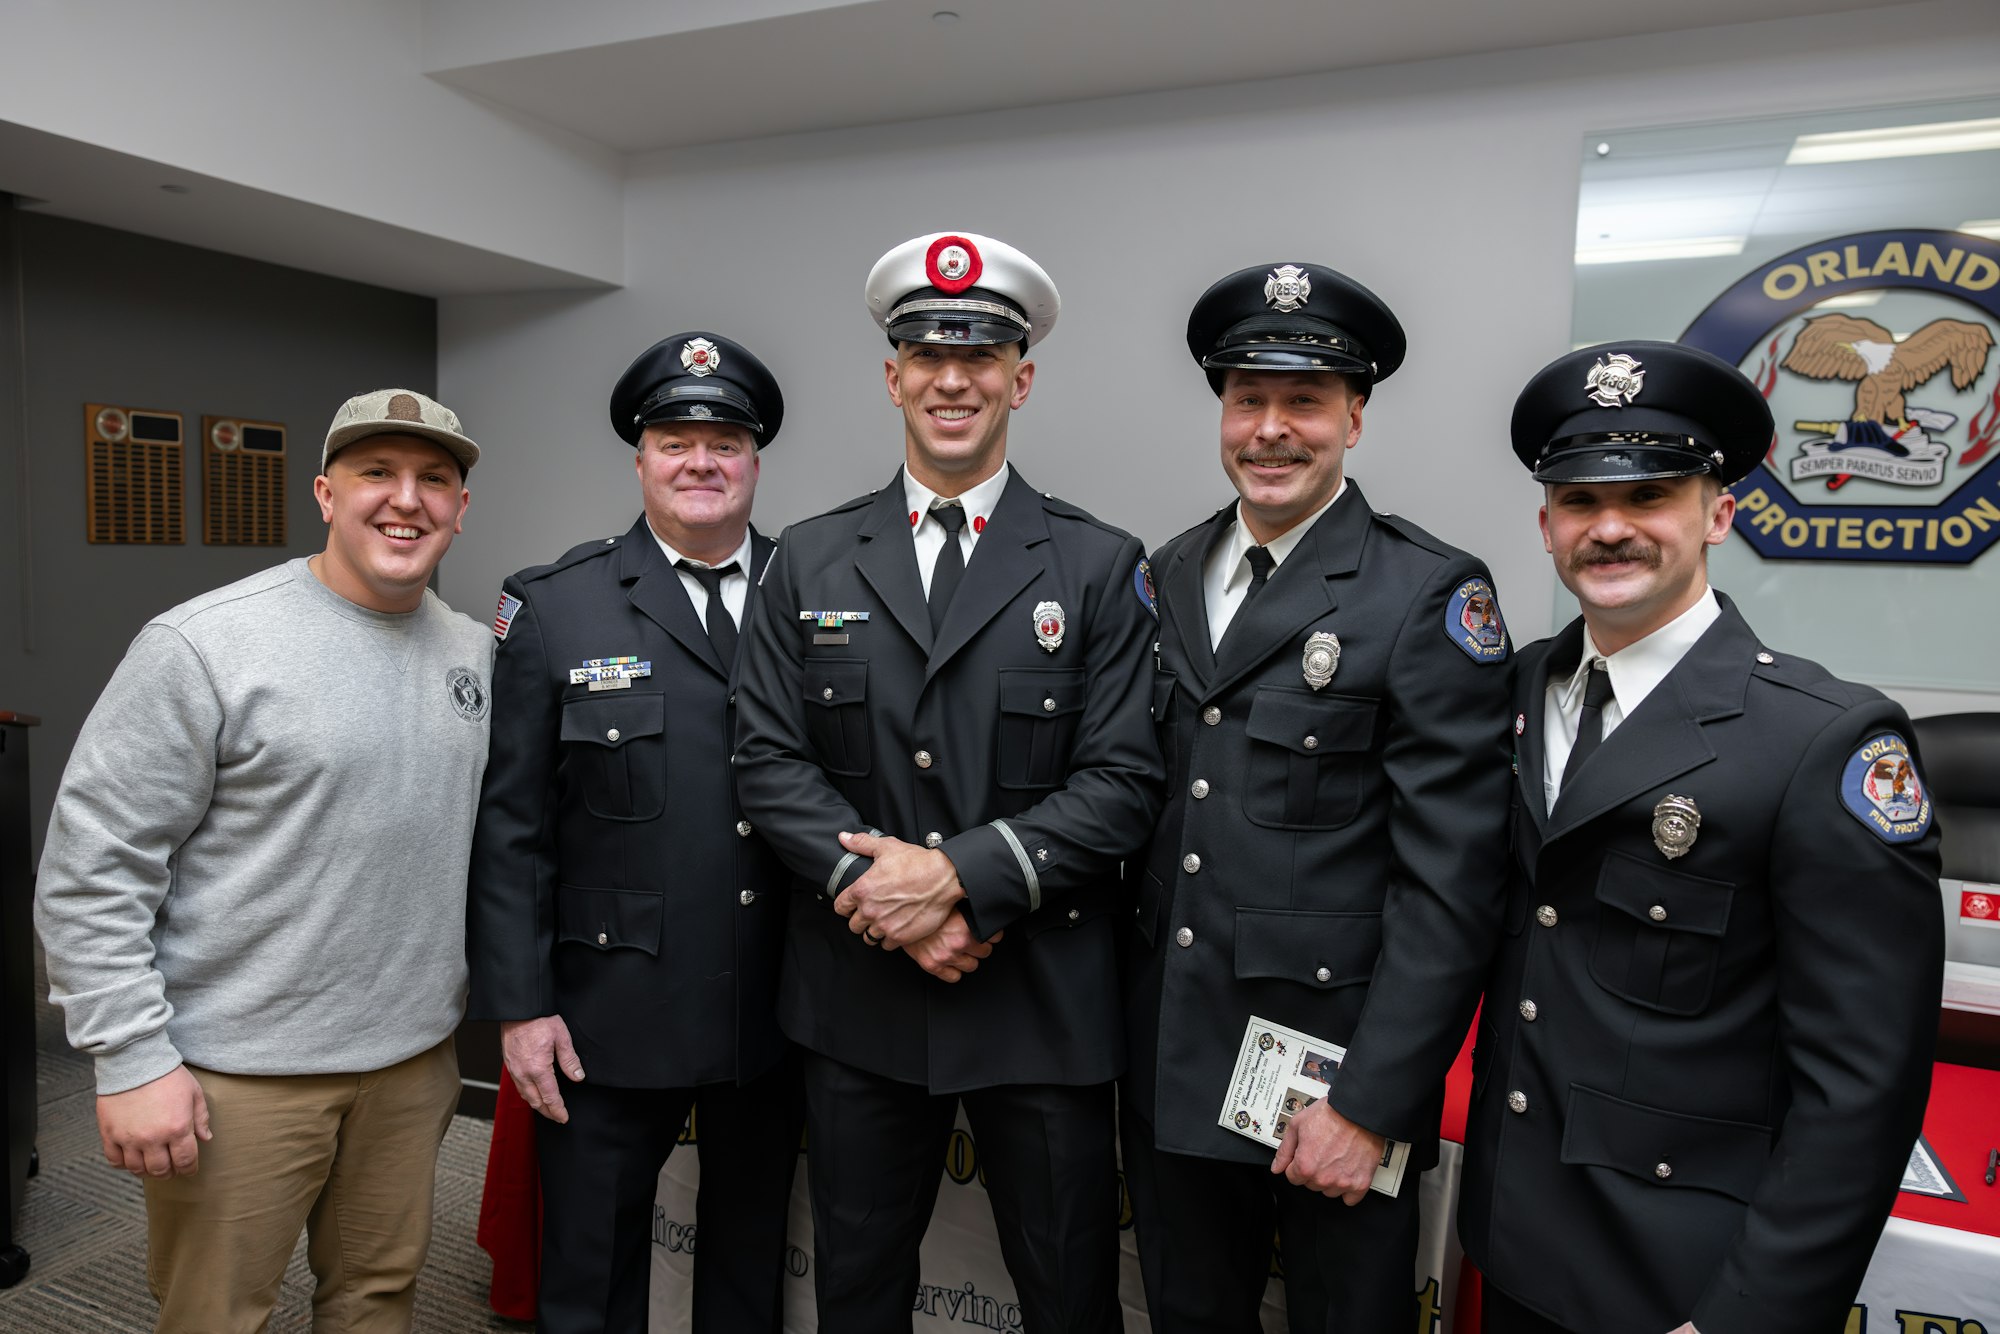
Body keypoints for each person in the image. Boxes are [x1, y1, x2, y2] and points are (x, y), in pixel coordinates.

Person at [1458, 341, 1946, 1334]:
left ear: (1716, 515)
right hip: (1512, 1243)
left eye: (1647, 497)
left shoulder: (1819, 737)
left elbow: (1861, 1086)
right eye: (1578, 501)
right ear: (1544, 524)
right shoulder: (1503, 694)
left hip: (1678, 1279)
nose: (1608, 528)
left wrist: (1748, 1314)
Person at [731, 231, 1163, 1334]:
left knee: (1069, 1295)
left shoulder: (1099, 563)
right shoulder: (810, 559)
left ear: (1021, 377)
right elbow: (766, 760)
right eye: (927, 355)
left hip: (1038, 1003)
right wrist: (886, 899)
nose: (953, 379)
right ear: (892, 378)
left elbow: (1122, 778)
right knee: (857, 1288)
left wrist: (956, 883)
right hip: (858, 994)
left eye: (982, 357)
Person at [35, 389, 492, 1333]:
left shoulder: (477, 656)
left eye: (433, 480)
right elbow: (94, 865)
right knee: (220, 1315)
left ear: (459, 508)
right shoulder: (204, 645)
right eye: (377, 474)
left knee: (376, 1300)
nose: (405, 500)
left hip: (411, 1064)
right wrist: (127, 1058)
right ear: (326, 493)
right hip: (236, 1075)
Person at [1120, 262, 1513, 1332]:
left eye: (1302, 401)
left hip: (1329, 1081)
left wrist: (1370, 1104)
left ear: (1353, 415)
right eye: (1246, 398)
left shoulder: (1425, 592)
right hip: (1171, 1062)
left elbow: (1451, 885)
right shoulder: (1167, 571)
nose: (1269, 429)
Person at [465, 333, 802, 1334]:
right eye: (674, 438)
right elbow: (511, 826)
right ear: (640, 456)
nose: (700, 459)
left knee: (749, 1264)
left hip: (775, 1000)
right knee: (591, 1266)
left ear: (754, 457)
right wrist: (518, 1008)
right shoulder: (556, 605)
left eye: (725, 440)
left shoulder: (820, 592)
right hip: (606, 1004)